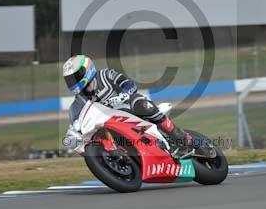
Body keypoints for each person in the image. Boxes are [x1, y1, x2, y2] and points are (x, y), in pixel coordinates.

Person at [62, 54, 211, 158]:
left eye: (75, 76)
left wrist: (124, 94)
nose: (73, 81)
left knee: (141, 104)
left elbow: (127, 83)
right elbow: (76, 122)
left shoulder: (106, 75)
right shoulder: (78, 102)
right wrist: (73, 138)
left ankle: (181, 139)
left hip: (128, 109)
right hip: (110, 125)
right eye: (69, 79)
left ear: (87, 69)